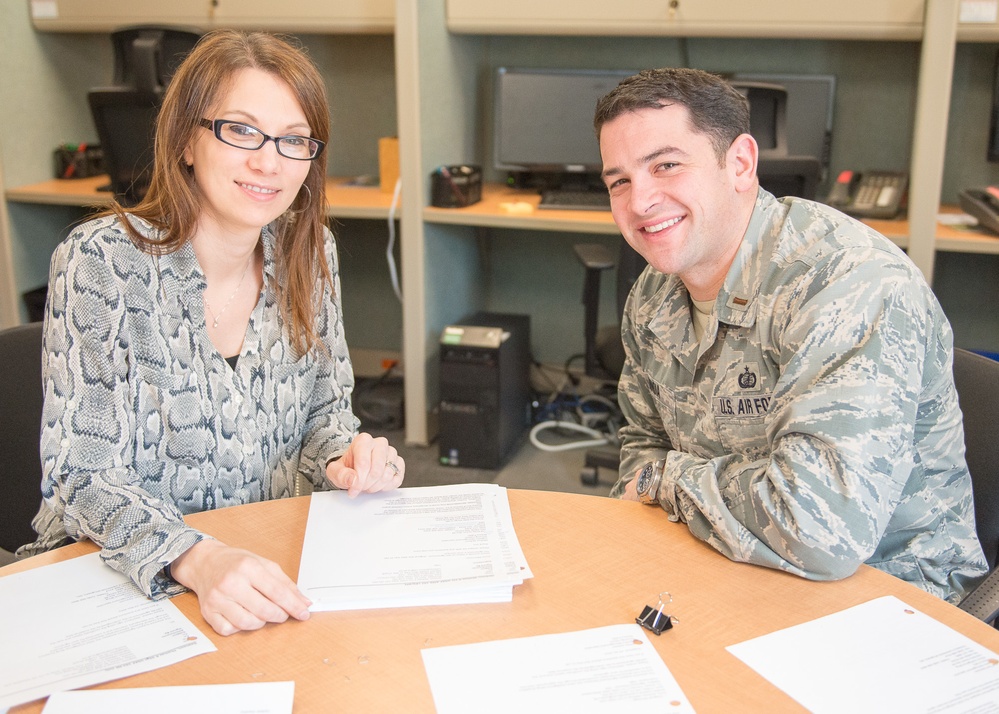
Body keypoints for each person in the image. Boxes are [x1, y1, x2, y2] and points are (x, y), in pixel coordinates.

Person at [17, 30, 406, 635]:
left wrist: (346, 457)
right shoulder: (102, 263)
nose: (268, 161)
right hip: (119, 582)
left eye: (294, 139)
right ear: (186, 141)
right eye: (242, 130)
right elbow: (82, 474)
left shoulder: (311, 253)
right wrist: (198, 558)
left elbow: (325, 416)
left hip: (262, 573)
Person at [595, 67, 987, 603]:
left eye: (666, 165)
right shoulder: (654, 294)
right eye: (619, 181)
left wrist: (669, 480)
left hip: (891, 593)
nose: (639, 202)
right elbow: (640, 450)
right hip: (731, 561)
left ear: (740, 164)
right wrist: (671, 481)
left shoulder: (847, 281)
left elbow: (822, 532)